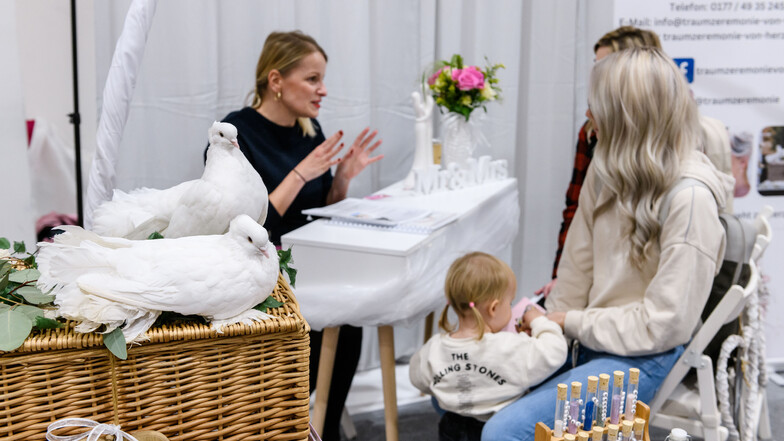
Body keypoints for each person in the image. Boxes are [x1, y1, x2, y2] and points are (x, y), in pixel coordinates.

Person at [482, 47, 733, 440]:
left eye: (594, 107)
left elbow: (662, 326)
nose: (588, 118)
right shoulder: (607, 167)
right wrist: (551, 333)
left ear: (626, 116)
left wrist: (569, 322)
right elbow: (576, 267)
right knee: (468, 387)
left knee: (504, 432)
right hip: (589, 338)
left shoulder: (691, 199)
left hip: (645, 357)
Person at [218, 30, 383, 440]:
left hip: (311, 262)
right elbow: (244, 228)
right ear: (276, 81)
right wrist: (299, 174)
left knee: (349, 314)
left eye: (322, 79)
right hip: (263, 272)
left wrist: (341, 181)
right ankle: (290, 423)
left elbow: (317, 210)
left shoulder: (309, 129)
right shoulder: (233, 135)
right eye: (312, 79)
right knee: (330, 320)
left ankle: (324, 427)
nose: (322, 90)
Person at [537, 26, 662, 297]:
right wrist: (562, 278)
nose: (597, 76)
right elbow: (575, 209)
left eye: (604, 66)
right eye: (596, 66)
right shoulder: (590, 132)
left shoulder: (679, 152)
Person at [409, 252, 567, 441]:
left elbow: (418, 378)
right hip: (496, 428)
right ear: (493, 308)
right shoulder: (509, 347)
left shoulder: (433, 349)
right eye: (510, 303)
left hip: (450, 427)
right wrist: (539, 321)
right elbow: (555, 350)